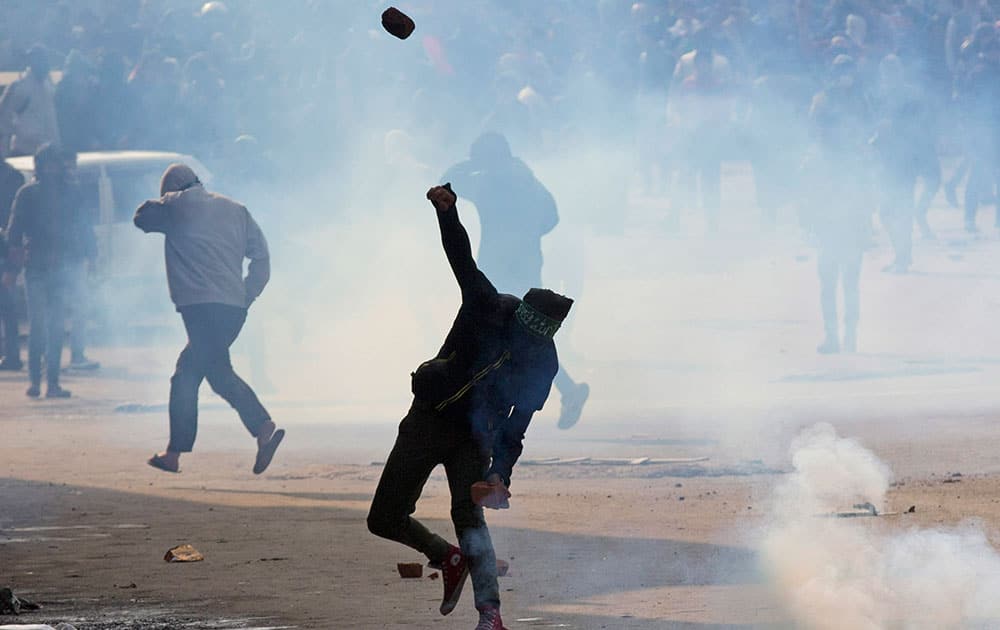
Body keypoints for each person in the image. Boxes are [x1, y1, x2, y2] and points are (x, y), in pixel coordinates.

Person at [367, 184, 571, 630]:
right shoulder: (488, 306)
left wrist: (500, 473)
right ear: (517, 319)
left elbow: (516, 428)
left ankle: (490, 613)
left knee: (469, 515)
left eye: (535, 344)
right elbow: (461, 257)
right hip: (429, 418)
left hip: (473, 439)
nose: (525, 348)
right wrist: (448, 212)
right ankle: (446, 557)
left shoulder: (544, 362)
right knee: (383, 518)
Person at [134, 163, 284, 474]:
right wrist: (248, 293)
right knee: (214, 372)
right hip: (234, 308)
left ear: (175, 189)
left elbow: (141, 218)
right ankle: (261, 428)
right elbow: (262, 257)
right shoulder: (235, 208)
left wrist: (169, 200)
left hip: (200, 307)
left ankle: (176, 452)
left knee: (187, 375)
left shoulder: (176, 207)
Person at [442, 132, 589, 429]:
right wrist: (528, 236)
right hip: (526, 265)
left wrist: (470, 163)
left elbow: (447, 181)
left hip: (497, 270)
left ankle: (487, 409)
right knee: (529, 336)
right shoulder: (527, 181)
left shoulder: (487, 182)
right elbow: (552, 217)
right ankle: (565, 391)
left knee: (507, 336)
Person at [3, 144, 89, 397]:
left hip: (64, 268)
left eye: (55, 164)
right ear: (40, 166)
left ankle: (52, 384)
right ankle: (34, 382)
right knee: (38, 326)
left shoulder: (72, 193)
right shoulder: (27, 194)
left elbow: (83, 228)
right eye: (47, 164)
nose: (52, 169)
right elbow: (14, 232)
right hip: (37, 268)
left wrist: (89, 258)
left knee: (55, 327)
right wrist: (11, 266)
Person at [804, 55, 873, 354]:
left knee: (849, 280)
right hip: (830, 222)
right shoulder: (822, 103)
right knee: (831, 279)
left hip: (849, 220)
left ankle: (849, 337)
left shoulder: (859, 104)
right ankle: (834, 336)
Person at [0, 46, 61, 157]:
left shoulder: (49, 86)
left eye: (44, 60)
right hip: (24, 151)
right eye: (38, 59)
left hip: (48, 151)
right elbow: (4, 119)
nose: (42, 63)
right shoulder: (20, 87)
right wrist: (4, 152)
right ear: (31, 62)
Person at [0, 158, 25, 370]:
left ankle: (12, 356)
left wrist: (11, 265)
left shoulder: (11, 177)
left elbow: (14, 225)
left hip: (4, 248)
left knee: (7, 306)